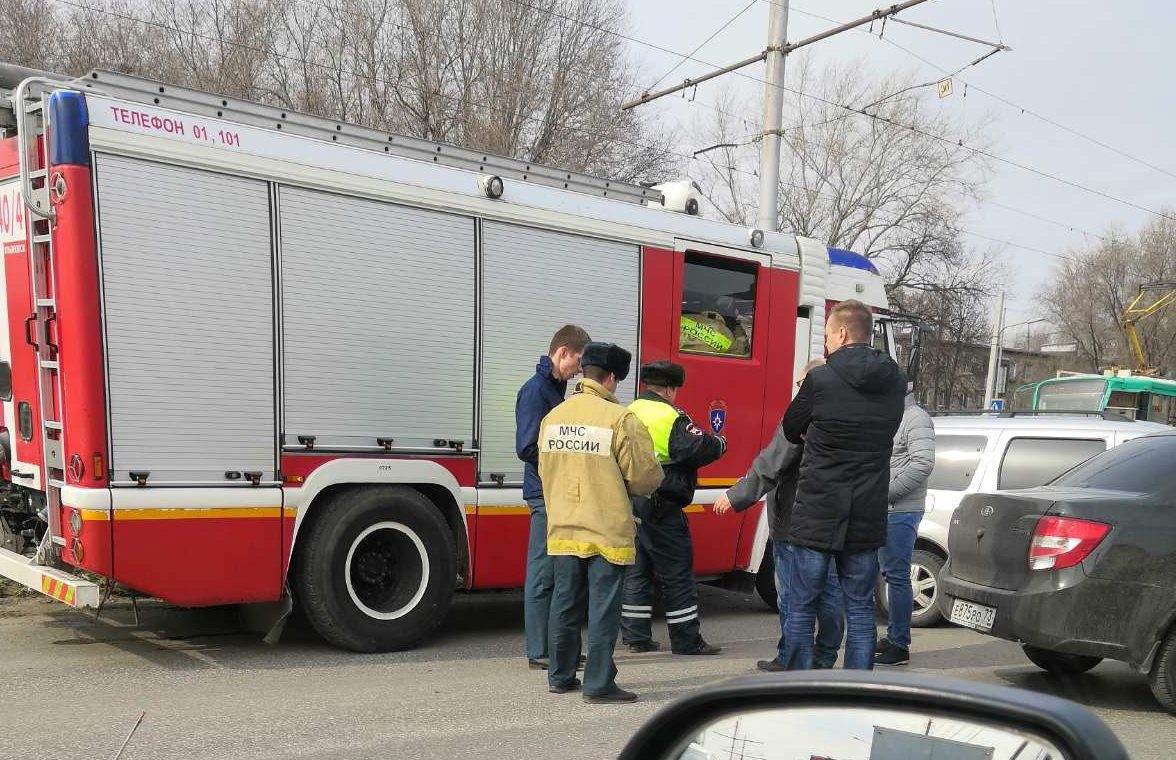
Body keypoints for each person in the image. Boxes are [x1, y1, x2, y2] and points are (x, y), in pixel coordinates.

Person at [779, 299, 906, 671]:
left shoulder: (820, 379)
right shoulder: (895, 381)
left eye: (827, 335)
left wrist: (815, 432)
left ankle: (797, 687)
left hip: (818, 509)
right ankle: (857, 691)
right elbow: (891, 428)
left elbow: (790, 427)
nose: (825, 343)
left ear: (843, 333)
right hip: (867, 511)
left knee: (802, 607)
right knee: (861, 609)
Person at [539, 342, 664, 703]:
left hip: (564, 526)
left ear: (583, 373)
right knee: (603, 608)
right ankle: (598, 683)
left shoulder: (554, 417)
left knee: (564, 602)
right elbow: (643, 478)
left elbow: (545, 471)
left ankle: (560, 676)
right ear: (610, 378)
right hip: (606, 528)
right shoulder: (620, 420)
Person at [712, 358, 845, 670]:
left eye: (801, 385)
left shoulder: (801, 417)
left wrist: (736, 496)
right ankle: (824, 656)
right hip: (835, 521)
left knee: (792, 598)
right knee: (829, 593)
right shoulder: (847, 420)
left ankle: (791, 659)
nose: (798, 391)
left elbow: (772, 463)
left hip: (794, 521)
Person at [621, 360, 726, 657]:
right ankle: (686, 640)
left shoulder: (630, 409)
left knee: (637, 570)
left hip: (631, 502)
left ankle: (635, 636)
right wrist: (721, 443)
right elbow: (698, 448)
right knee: (676, 572)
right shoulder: (668, 415)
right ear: (669, 388)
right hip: (662, 503)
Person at [515, 325, 591, 670]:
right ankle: (540, 652)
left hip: (553, 491)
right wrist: (566, 458)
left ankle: (555, 649)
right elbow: (527, 446)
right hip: (544, 492)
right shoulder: (536, 392)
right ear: (562, 352)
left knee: (556, 573)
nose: (579, 369)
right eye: (577, 361)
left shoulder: (554, 389)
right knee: (544, 574)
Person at [875, 389, 936, 667]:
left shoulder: (915, 417)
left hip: (900, 510)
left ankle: (900, 644)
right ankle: (893, 636)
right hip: (884, 509)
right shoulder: (891, 416)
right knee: (887, 574)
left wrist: (884, 493)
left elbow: (922, 463)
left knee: (897, 577)